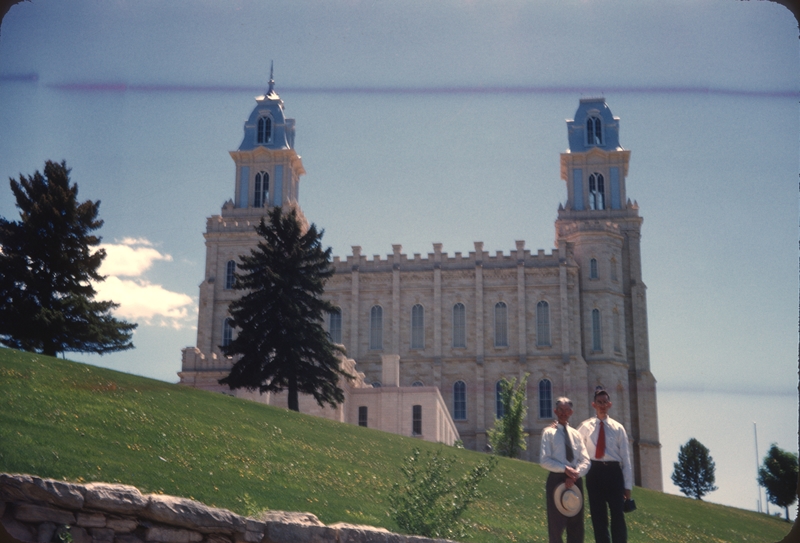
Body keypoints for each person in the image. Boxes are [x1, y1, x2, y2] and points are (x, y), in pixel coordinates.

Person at [577, 386, 633, 543]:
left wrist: (627, 486)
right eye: (599, 402)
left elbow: (626, 459)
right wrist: (558, 427)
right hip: (594, 473)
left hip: (614, 473)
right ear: (593, 405)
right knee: (598, 516)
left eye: (605, 402)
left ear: (610, 404)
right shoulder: (585, 427)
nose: (602, 405)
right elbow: (574, 444)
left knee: (617, 514)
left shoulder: (618, 428)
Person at [540, 396, 591, 543]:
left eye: (567, 410)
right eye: (561, 410)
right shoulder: (548, 433)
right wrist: (565, 469)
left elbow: (585, 459)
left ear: (571, 412)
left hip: (575, 480)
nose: (563, 413)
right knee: (556, 527)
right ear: (555, 411)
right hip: (556, 479)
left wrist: (575, 474)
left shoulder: (576, 435)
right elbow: (544, 460)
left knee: (576, 526)